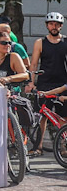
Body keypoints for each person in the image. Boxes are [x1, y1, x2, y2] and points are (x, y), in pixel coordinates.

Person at [28, 12, 67, 152]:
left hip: (63, 83)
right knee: (41, 117)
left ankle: (64, 146)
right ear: (47, 25)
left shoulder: (66, 42)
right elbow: (34, 64)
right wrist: (31, 83)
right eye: (51, 24)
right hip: (44, 83)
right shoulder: (40, 42)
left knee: (63, 117)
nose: (54, 26)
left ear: (61, 26)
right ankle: (38, 146)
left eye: (57, 24)